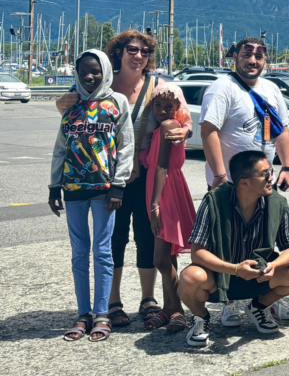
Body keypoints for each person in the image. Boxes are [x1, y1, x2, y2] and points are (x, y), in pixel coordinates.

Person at [56, 29, 170, 328]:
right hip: (106, 178)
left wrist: (179, 129)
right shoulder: (93, 81)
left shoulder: (157, 85)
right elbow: (67, 113)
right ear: (117, 53)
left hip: (143, 173)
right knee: (114, 239)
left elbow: (178, 116)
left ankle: (148, 299)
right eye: (132, 50)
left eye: (145, 52)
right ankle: (113, 302)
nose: (139, 56)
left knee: (147, 235)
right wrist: (60, 105)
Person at [198, 36, 289, 325]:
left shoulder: (271, 89)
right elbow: (209, 131)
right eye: (247, 54)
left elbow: (281, 131)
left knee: (265, 240)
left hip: (262, 181)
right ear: (235, 57)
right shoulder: (222, 88)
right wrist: (219, 175)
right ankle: (228, 303)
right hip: (231, 183)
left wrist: (287, 166)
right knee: (227, 242)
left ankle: (265, 300)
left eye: (259, 55)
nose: (253, 60)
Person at [178, 150, 289, 348]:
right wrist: (234, 269)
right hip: (219, 277)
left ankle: (258, 307)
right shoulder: (214, 200)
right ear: (244, 182)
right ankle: (201, 318)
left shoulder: (277, 203)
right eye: (265, 174)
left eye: (271, 172)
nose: (271, 178)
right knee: (190, 278)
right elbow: (197, 252)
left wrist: (273, 265)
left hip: (260, 276)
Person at [48, 49, 133, 342]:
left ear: (106, 71)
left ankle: (101, 314)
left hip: (104, 191)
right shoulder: (70, 104)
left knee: (103, 251)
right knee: (79, 252)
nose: (89, 76)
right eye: (84, 70)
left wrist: (119, 185)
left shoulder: (116, 102)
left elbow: (125, 147)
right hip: (73, 190)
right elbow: (61, 147)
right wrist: (53, 186)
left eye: (95, 70)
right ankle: (83, 313)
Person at [144, 83, 197, 333]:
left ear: (178, 107)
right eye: (158, 105)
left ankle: (177, 309)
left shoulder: (169, 126)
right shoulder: (158, 130)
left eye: (169, 106)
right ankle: (168, 308)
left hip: (165, 192)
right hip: (158, 189)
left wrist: (155, 204)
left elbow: (162, 166)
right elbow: (150, 161)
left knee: (161, 259)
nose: (163, 111)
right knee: (167, 255)